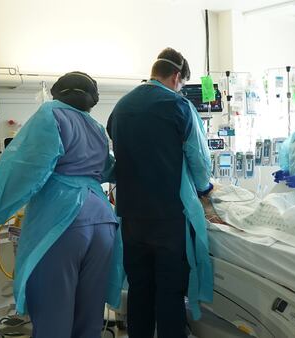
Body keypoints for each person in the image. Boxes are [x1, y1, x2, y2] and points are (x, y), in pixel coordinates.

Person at [0, 72, 119, 338]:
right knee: (89, 321)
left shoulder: (50, 115)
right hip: (103, 222)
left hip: (63, 222)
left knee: (53, 322)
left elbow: (24, 175)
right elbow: (109, 170)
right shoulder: (95, 127)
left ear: (58, 93)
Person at [107, 47, 213, 338]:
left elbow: (118, 151)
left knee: (140, 289)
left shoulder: (121, 106)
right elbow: (199, 160)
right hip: (167, 218)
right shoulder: (178, 106)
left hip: (130, 216)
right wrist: (206, 190)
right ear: (177, 77)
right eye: (181, 84)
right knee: (169, 292)